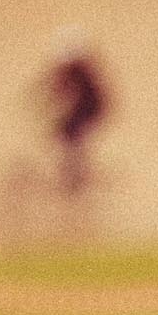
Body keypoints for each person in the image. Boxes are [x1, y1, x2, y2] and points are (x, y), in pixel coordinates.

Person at [45, 29, 110, 194]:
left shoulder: (79, 73)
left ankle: (75, 176)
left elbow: (64, 92)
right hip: (86, 111)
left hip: (88, 110)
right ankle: (75, 173)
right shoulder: (83, 72)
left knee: (71, 138)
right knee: (70, 139)